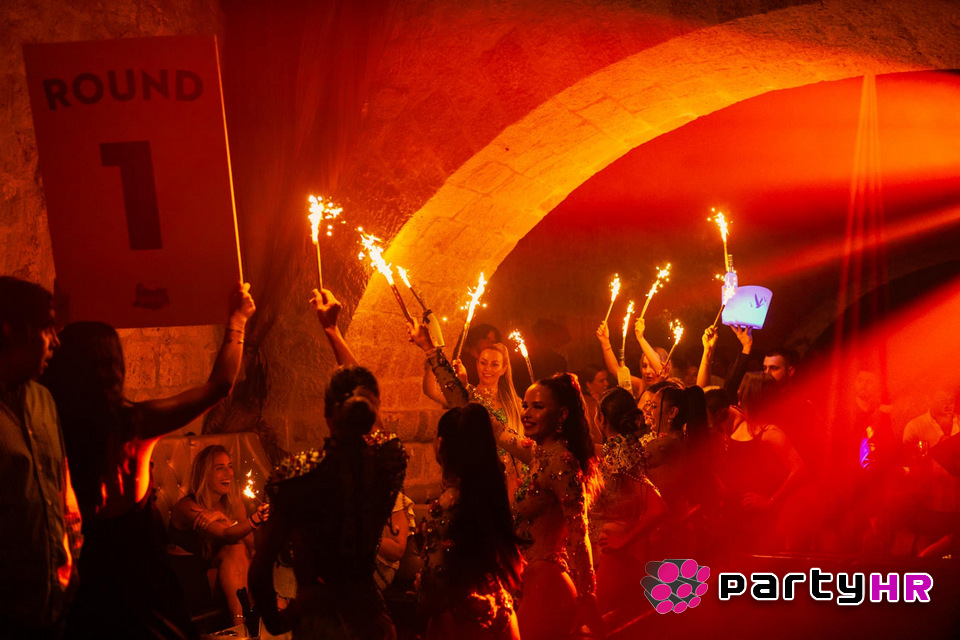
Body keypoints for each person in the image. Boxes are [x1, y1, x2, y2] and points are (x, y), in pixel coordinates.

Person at [41, 282, 256, 639]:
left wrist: (61, 319)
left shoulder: (51, 423)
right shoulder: (132, 425)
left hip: (86, 576)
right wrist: (237, 321)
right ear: (115, 367)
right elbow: (220, 385)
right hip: (139, 577)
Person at [249, 288, 407, 639]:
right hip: (371, 618)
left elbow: (259, 571)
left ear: (326, 414)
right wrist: (333, 331)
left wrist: (277, 621)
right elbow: (370, 415)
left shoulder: (298, 476)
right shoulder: (387, 460)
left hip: (321, 623)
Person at [0, 276, 81, 639]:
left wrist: (73, 557)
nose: (56, 341)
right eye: (47, 329)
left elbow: (62, 488)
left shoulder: (43, 401)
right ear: (11, 330)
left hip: (55, 604)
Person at [416, 403, 524, 639]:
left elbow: (434, 590)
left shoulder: (445, 510)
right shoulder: (489, 497)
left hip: (460, 625)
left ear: (440, 445)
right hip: (501, 616)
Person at [514, 373, 604, 640]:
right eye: (525, 406)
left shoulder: (562, 462)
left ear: (562, 414)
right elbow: (495, 428)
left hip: (547, 586)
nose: (527, 414)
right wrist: (433, 356)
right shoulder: (538, 455)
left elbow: (579, 533)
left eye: (538, 407)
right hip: (527, 581)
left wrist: (587, 598)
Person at [590, 387, 667, 615]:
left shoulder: (621, 451)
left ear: (601, 418)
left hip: (617, 557)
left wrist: (623, 540)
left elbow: (658, 508)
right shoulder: (619, 447)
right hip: (612, 554)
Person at [170, 445, 269, 622]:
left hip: (219, 571)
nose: (228, 473)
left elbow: (251, 544)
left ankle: (254, 620)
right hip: (186, 580)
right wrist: (255, 519)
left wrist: (224, 518)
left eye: (230, 466)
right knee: (237, 551)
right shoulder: (187, 506)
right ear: (204, 474)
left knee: (247, 555)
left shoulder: (233, 502)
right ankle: (242, 621)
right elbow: (225, 534)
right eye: (219, 468)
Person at [423, 341, 532, 499]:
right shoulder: (465, 396)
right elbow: (431, 390)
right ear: (476, 364)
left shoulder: (514, 403)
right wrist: (432, 362)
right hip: (475, 473)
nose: (487, 369)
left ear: (503, 369)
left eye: (494, 365)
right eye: (483, 363)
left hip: (509, 478)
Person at [715, 372, 805, 553]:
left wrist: (771, 501)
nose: (738, 391)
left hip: (754, 519)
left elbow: (799, 469)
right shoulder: (739, 422)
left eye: (743, 388)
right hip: (732, 513)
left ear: (751, 394)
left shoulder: (770, 433)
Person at [579, 364, 611, 450]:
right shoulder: (591, 406)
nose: (607, 383)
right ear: (589, 384)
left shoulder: (600, 402)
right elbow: (597, 440)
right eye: (601, 381)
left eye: (606, 379)